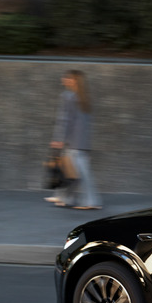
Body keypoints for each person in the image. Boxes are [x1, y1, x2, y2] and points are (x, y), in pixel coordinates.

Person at [45, 70, 102, 210]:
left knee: (79, 173)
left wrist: (59, 138)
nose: (63, 79)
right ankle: (65, 198)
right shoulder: (84, 98)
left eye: (67, 77)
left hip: (73, 142)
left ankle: (91, 201)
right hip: (82, 141)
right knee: (72, 172)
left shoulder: (68, 96)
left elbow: (64, 120)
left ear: (74, 81)